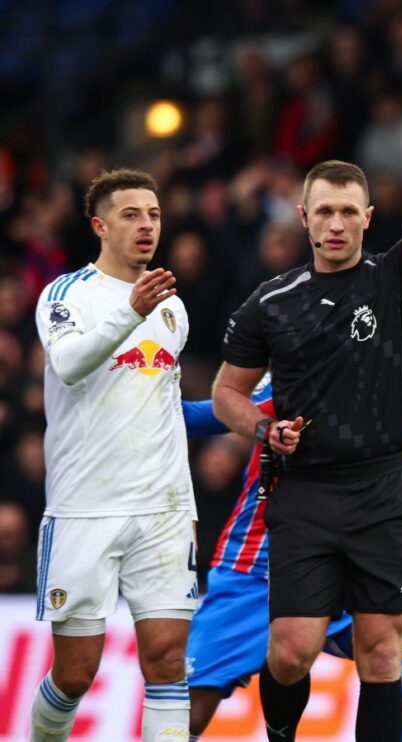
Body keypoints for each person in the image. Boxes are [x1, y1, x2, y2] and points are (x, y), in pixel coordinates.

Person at [210, 39, 402, 741]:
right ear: (304, 217)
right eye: (325, 212)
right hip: (305, 493)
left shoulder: (396, 278)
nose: (337, 224)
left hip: (383, 488)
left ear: (369, 217)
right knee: (289, 652)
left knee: (381, 651)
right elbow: (229, 394)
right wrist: (261, 430)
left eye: (350, 211)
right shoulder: (269, 302)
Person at [30, 169, 196, 741]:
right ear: (100, 226)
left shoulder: (172, 308)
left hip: (164, 506)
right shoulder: (66, 295)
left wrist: (240, 418)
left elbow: (162, 403)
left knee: (169, 663)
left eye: (152, 213)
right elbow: (69, 363)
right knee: (76, 673)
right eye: (130, 215)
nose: (146, 224)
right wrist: (130, 309)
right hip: (85, 507)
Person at [178, 381, 402, 741]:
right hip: (254, 568)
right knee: (191, 705)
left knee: (396, 649)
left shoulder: (375, 384)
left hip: (334, 558)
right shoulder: (292, 380)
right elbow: (194, 416)